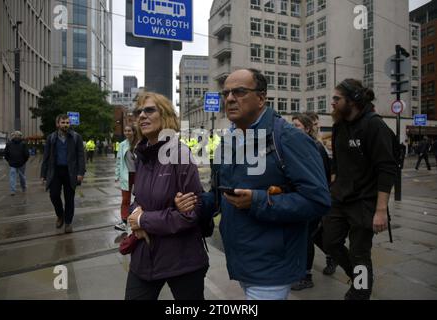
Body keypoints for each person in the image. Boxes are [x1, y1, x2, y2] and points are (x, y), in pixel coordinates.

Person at [175, 69, 330, 300]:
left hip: (273, 265)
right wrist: (194, 202)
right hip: (241, 260)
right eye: (226, 93)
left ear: (261, 98)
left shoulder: (288, 138)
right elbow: (218, 196)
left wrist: (258, 201)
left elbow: (318, 201)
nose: (229, 99)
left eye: (239, 92)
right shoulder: (227, 141)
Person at [125, 92, 208, 300]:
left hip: (182, 260)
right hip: (144, 257)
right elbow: (137, 200)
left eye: (149, 110)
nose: (141, 116)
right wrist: (135, 211)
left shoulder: (180, 155)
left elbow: (191, 214)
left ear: (166, 116)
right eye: (138, 112)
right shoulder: (141, 156)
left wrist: (143, 220)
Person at [324, 79, 397, 300]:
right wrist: (334, 183)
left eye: (337, 99)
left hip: (365, 202)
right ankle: (357, 276)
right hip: (339, 198)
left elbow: (387, 168)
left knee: (359, 253)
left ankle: (360, 291)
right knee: (329, 241)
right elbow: (337, 160)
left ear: (353, 100)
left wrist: (381, 210)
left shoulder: (374, 125)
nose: (332, 103)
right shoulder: (339, 125)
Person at [290, 114, 336, 290]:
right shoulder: (298, 145)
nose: (293, 128)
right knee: (313, 235)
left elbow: (322, 177)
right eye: (292, 125)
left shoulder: (315, 147)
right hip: (301, 199)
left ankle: (306, 276)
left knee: (306, 237)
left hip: (312, 200)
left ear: (307, 129)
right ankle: (332, 255)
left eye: (297, 125)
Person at [41, 114, 86, 233]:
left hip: (70, 172)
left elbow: (81, 156)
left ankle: (68, 222)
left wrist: (81, 172)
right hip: (55, 171)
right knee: (54, 195)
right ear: (58, 124)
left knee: (69, 198)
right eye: (63, 122)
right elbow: (46, 157)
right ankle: (60, 215)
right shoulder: (51, 138)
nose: (65, 125)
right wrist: (43, 174)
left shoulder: (76, 137)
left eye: (67, 123)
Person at [115, 125, 140, 231]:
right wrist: (117, 175)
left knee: (141, 197)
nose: (127, 132)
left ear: (134, 132)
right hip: (126, 175)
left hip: (139, 175)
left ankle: (139, 219)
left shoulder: (140, 143)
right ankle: (124, 221)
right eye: (125, 131)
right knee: (125, 199)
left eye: (129, 130)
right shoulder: (122, 145)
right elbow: (118, 161)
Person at [4, 131, 29, 196]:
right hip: (18, 163)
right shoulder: (10, 144)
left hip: (16, 163)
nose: (17, 136)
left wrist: (9, 161)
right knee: (20, 176)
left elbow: (6, 154)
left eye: (18, 135)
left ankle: (16, 190)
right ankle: (19, 189)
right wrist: (24, 161)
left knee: (17, 177)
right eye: (16, 135)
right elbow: (27, 154)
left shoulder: (21, 144)